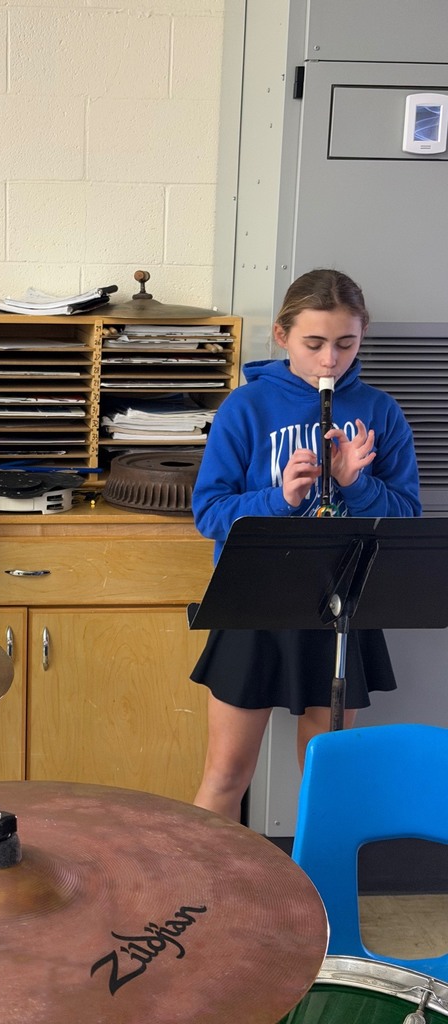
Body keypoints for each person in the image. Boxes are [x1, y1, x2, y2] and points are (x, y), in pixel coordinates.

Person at [190, 269, 421, 822]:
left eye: (346, 344)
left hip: (341, 607)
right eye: (314, 344)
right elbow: (208, 513)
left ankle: (317, 898)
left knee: (327, 780)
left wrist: (356, 486)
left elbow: (408, 517)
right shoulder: (244, 409)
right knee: (225, 776)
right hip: (254, 604)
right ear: (282, 335)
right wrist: (279, 499)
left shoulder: (381, 411)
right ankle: (201, 901)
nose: (329, 362)